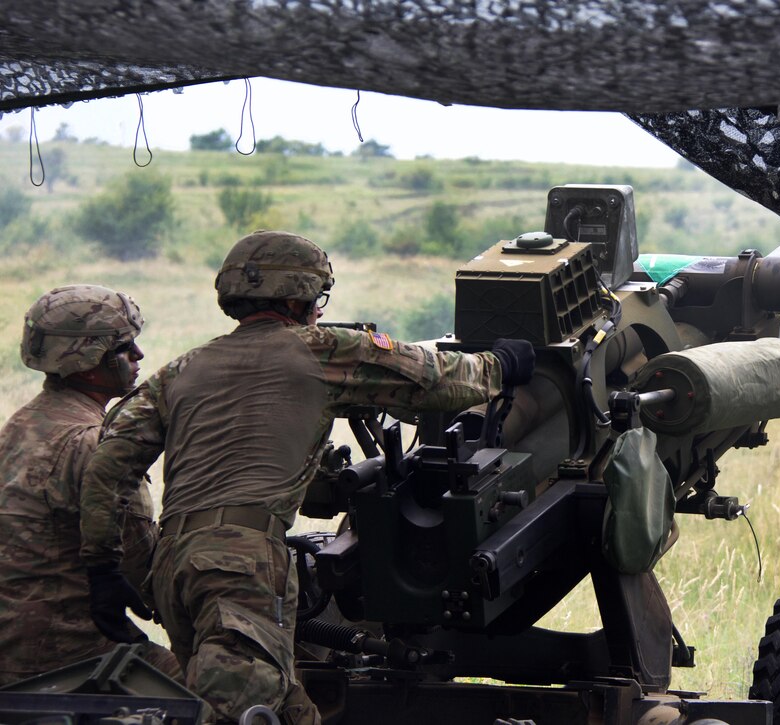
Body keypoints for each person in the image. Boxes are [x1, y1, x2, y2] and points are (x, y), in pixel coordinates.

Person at [79, 231, 534, 724]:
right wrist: (501, 365)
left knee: (284, 708)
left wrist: (103, 566)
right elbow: (433, 380)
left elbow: (109, 463)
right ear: (297, 298)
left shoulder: (182, 369)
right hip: (243, 564)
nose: (319, 310)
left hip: (173, 567)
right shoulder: (321, 351)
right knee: (233, 712)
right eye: (317, 298)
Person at [0, 284, 180, 685]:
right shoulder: (96, 445)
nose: (139, 356)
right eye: (124, 348)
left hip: (14, 646)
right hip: (72, 653)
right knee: (238, 698)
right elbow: (144, 569)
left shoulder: (19, 426)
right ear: (86, 361)